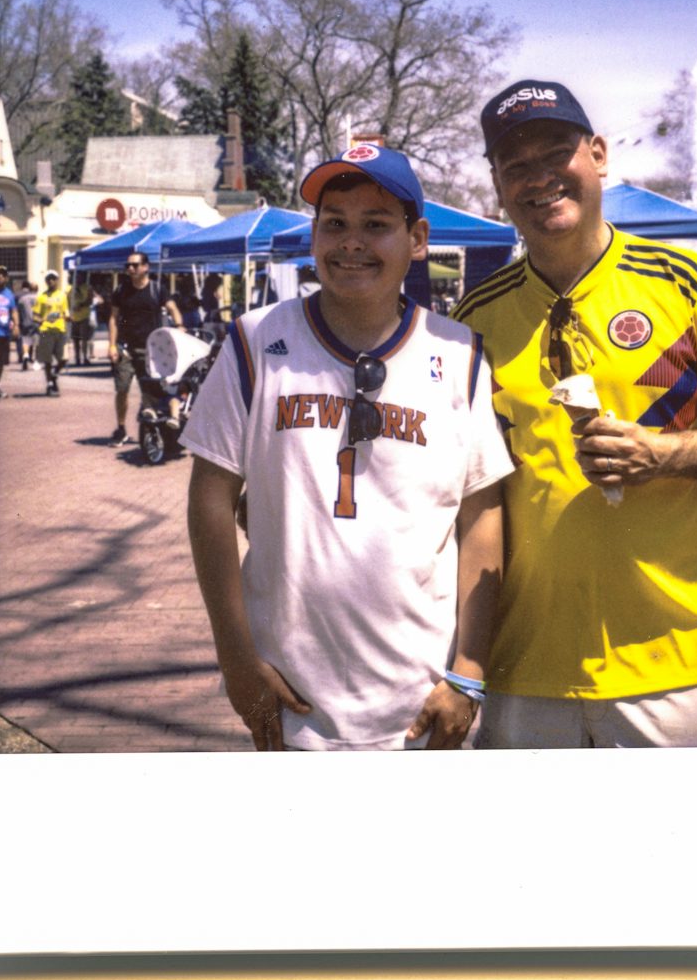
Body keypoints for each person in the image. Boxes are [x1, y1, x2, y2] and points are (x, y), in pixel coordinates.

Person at [454, 79, 697, 749]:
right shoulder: (474, 318)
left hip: (673, 662)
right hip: (524, 667)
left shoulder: (688, 285)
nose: (539, 178)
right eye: (515, 165)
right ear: (498, 185)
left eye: (555, 154)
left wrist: (662, 454)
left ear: (597, 154)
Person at [182, 144, 514, 751]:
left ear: (417, 239)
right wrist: (235, 657)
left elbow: (482, 512)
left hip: (421, 698)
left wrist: (469, 671)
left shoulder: (459, 354)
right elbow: (210, 495)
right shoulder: (256, 342)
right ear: (313, 236)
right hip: (292, 695)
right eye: (334, 223)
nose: (351, 243)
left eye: (376, 224)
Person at [107, 253, 177, 445]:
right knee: (122, 389)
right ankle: (121, 429)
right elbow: (113, 318)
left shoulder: (157, 289)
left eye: (135, 265)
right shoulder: (121, 291)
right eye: (128, 265)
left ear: (146, 267)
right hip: (125, 348)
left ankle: (151, 428)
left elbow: (172, 308)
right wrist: (112, 345)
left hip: (151, 349)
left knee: (150, 388)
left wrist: (180, 327)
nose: (130, 269)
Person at [33, 270, 69, 397]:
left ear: (57, 280)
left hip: (60, 330)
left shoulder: (62, 296)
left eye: (53, 278)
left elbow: (65, 312)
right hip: (46, 330)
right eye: (48, 279)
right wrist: (41, 320)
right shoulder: (41, 297)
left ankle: (54, 374)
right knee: (47, 359)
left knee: (64, 358)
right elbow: (35, 315)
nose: (51, 281)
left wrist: (67, 317)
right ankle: (49, 384)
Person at [0, 265, 19, 401]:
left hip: (5, 331)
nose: (0, 276)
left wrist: (16, 326)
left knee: (1, 360)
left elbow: (14, 311)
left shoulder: (9, 294)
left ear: (7, 278)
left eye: (3, 274)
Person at [68, 279, 96, 366]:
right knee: (75, 339)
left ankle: (85, 357)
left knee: (84, 339)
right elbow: (68, 302)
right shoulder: (70, 289)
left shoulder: (87, 288)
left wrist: (81, 305)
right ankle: (77, 358)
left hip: (84, 317)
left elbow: (90, 300)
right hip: (74, 317)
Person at [16, 278, 37, 370]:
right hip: (37, 323)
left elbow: (18, 311)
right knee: (36, 342)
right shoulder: (40, 298)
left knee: (26, 341)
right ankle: (34, 359)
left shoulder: (22, 299)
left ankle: (25, 355)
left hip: (26, 322)